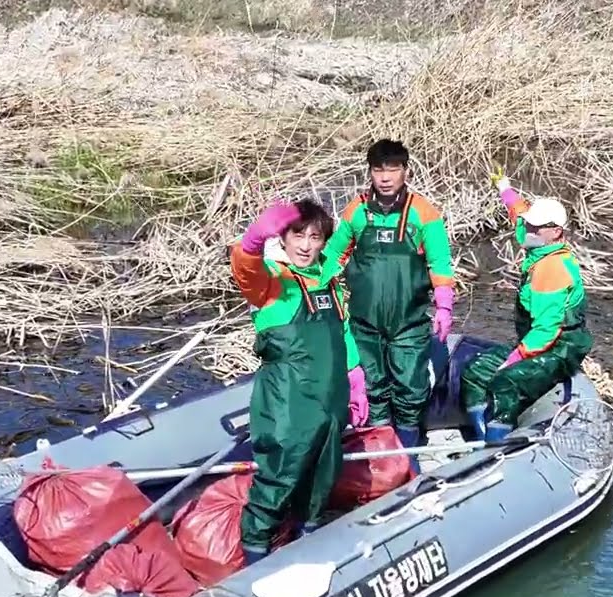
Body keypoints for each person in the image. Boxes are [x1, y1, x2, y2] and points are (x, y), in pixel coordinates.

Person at [230, 197, 369, 565]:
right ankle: (256, 554)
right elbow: (246, 271)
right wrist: (253, 241)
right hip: (288, 400)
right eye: (298, 235)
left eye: (315, 236)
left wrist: (355, 374)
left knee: (324, 470)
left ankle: (309, 537)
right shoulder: (275, 281)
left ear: (325, 240)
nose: (306, 245)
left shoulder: (330, 281)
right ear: (284, 238)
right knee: (282, 471)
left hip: (330, 397)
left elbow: (342, 331)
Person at [323, 139, 456, 473]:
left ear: (405, 171)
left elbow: (440, 262)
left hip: (408, 323)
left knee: (410, 390)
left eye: (392, 169)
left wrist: (444, 306)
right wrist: (311, 289)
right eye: (378, 170)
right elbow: (333, 257)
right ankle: (380, 463)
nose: (385, 177)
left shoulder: (424, 213)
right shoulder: (356, 211)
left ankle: (408, 461)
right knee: (372, 389)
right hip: (364, 322)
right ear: (370, 172)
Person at [458, 169, 593, 442]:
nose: (528, 229)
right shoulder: (539, 243)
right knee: (474, 373)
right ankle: (481, 431)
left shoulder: (551, 268)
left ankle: (496, 445)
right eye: (530, 225)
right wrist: (504, 186)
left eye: (536, 227)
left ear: (555, 232)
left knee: (504, 381)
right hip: (540, 341)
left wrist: (514, 359)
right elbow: (519, 213)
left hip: (559, 349)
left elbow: (546, 330)